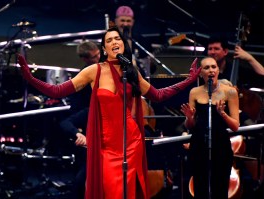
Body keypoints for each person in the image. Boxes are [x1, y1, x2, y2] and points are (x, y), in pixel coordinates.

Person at [17, 26, 201, 199]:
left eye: (117, 39)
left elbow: (159, 95)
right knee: (110, 190)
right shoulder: (93, 71)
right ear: (104, 48)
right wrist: (30, 78)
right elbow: (57, 91)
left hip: (131, 140)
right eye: (110, 40)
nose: (114, 42)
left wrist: (189, 80)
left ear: (122, 45)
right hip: (105, 142)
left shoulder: (131, 72)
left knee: (128, 192)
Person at [180, 57, 240, 199]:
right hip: (199, 145)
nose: (211, 70)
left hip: (220, 145)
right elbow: (191, 126)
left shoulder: (230, 92)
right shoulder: (194, 92)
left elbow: (236, 126)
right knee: (200, 189)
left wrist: (223, 114)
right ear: (201, 73)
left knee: (220, 189)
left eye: (214, 67)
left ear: (218, 71)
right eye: (206, 68)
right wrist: (189, 118)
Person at [115, 5, 154, 79]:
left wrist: (150, 64)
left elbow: (151, 70)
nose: (125, 24)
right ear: (116, 21)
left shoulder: (142, 41)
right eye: (122, 20)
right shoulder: (109, 40)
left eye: (128, 21)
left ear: (133, 22)